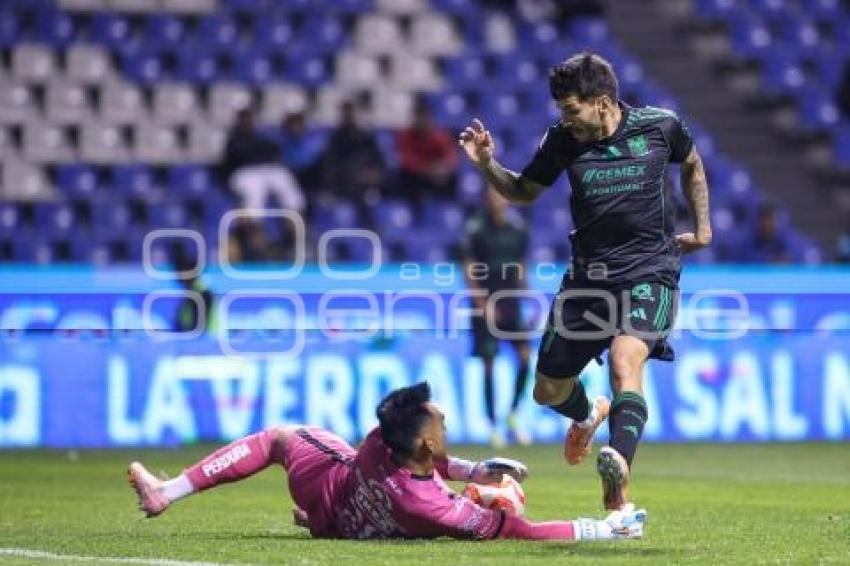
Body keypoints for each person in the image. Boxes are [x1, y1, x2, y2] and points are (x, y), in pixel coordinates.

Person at [458, 52, 712, 510]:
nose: (565, 120)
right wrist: (486, 165)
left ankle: (618, 481)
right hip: (587, 279)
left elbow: (692, 163)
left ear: (602, 102)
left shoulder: (660, 126)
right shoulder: (562, 140)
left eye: (571, 110)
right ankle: (588, 414)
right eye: (561, 111)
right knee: (547, 390)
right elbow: (524, 191)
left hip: (650, 270)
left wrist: (705, 228)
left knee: (625, 360)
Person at [128, 383, 646, 541]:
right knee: (492, 506)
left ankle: (168, 492)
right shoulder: (431, 507)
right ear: (423, 444)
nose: (441, 413)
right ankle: (326, 523)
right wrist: (602, 530)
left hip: (325, 492)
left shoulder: (381, 442)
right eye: (435, 417)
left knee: (280, 439)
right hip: (353, 520)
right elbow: (522, 532)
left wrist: (472, 471)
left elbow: (425, 458)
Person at [461, 186, 532, 447]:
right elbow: (468, 269)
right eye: (492, 194)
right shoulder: (475, 228)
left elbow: (521, 265)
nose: (497, 199)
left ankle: (513, 413)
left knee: (525, 357)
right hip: (487, 303)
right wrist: (482, 303)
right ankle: (493, 425)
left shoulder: (517, 229)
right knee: (489, 363)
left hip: (511, 301)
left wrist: (528, 299)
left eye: (501, 194)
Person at [220, 105, 305, 213]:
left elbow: (273, 151)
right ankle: (251, 226)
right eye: (243, 116)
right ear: (238, 118)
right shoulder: (231, 137)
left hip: (266, 170)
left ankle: (296, 223)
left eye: (249, 116)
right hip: (243, 172)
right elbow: (233, 159)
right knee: (255, 191)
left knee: (285, 182)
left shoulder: (261, 135)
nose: (247, 120)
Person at [319, 100, 386, 203]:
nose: (348, 116)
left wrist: (375, 173)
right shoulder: (335, 140)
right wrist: (356, 175)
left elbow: (379, 160)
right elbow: (331, 168)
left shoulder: (366, 137)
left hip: (368, 186)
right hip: (344, 186)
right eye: (345, 113)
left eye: (351, 112)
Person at [395, 99, 459, 203]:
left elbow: (451, 155)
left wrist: (443, 167)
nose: (423, 122)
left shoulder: (438, 135)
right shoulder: (406, 136)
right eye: (420, 118)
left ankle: (447, 205)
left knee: (451, 178)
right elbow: (407, 159)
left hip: (437, 174)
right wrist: (427, 169)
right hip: (417, 175)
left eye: (426, 117)